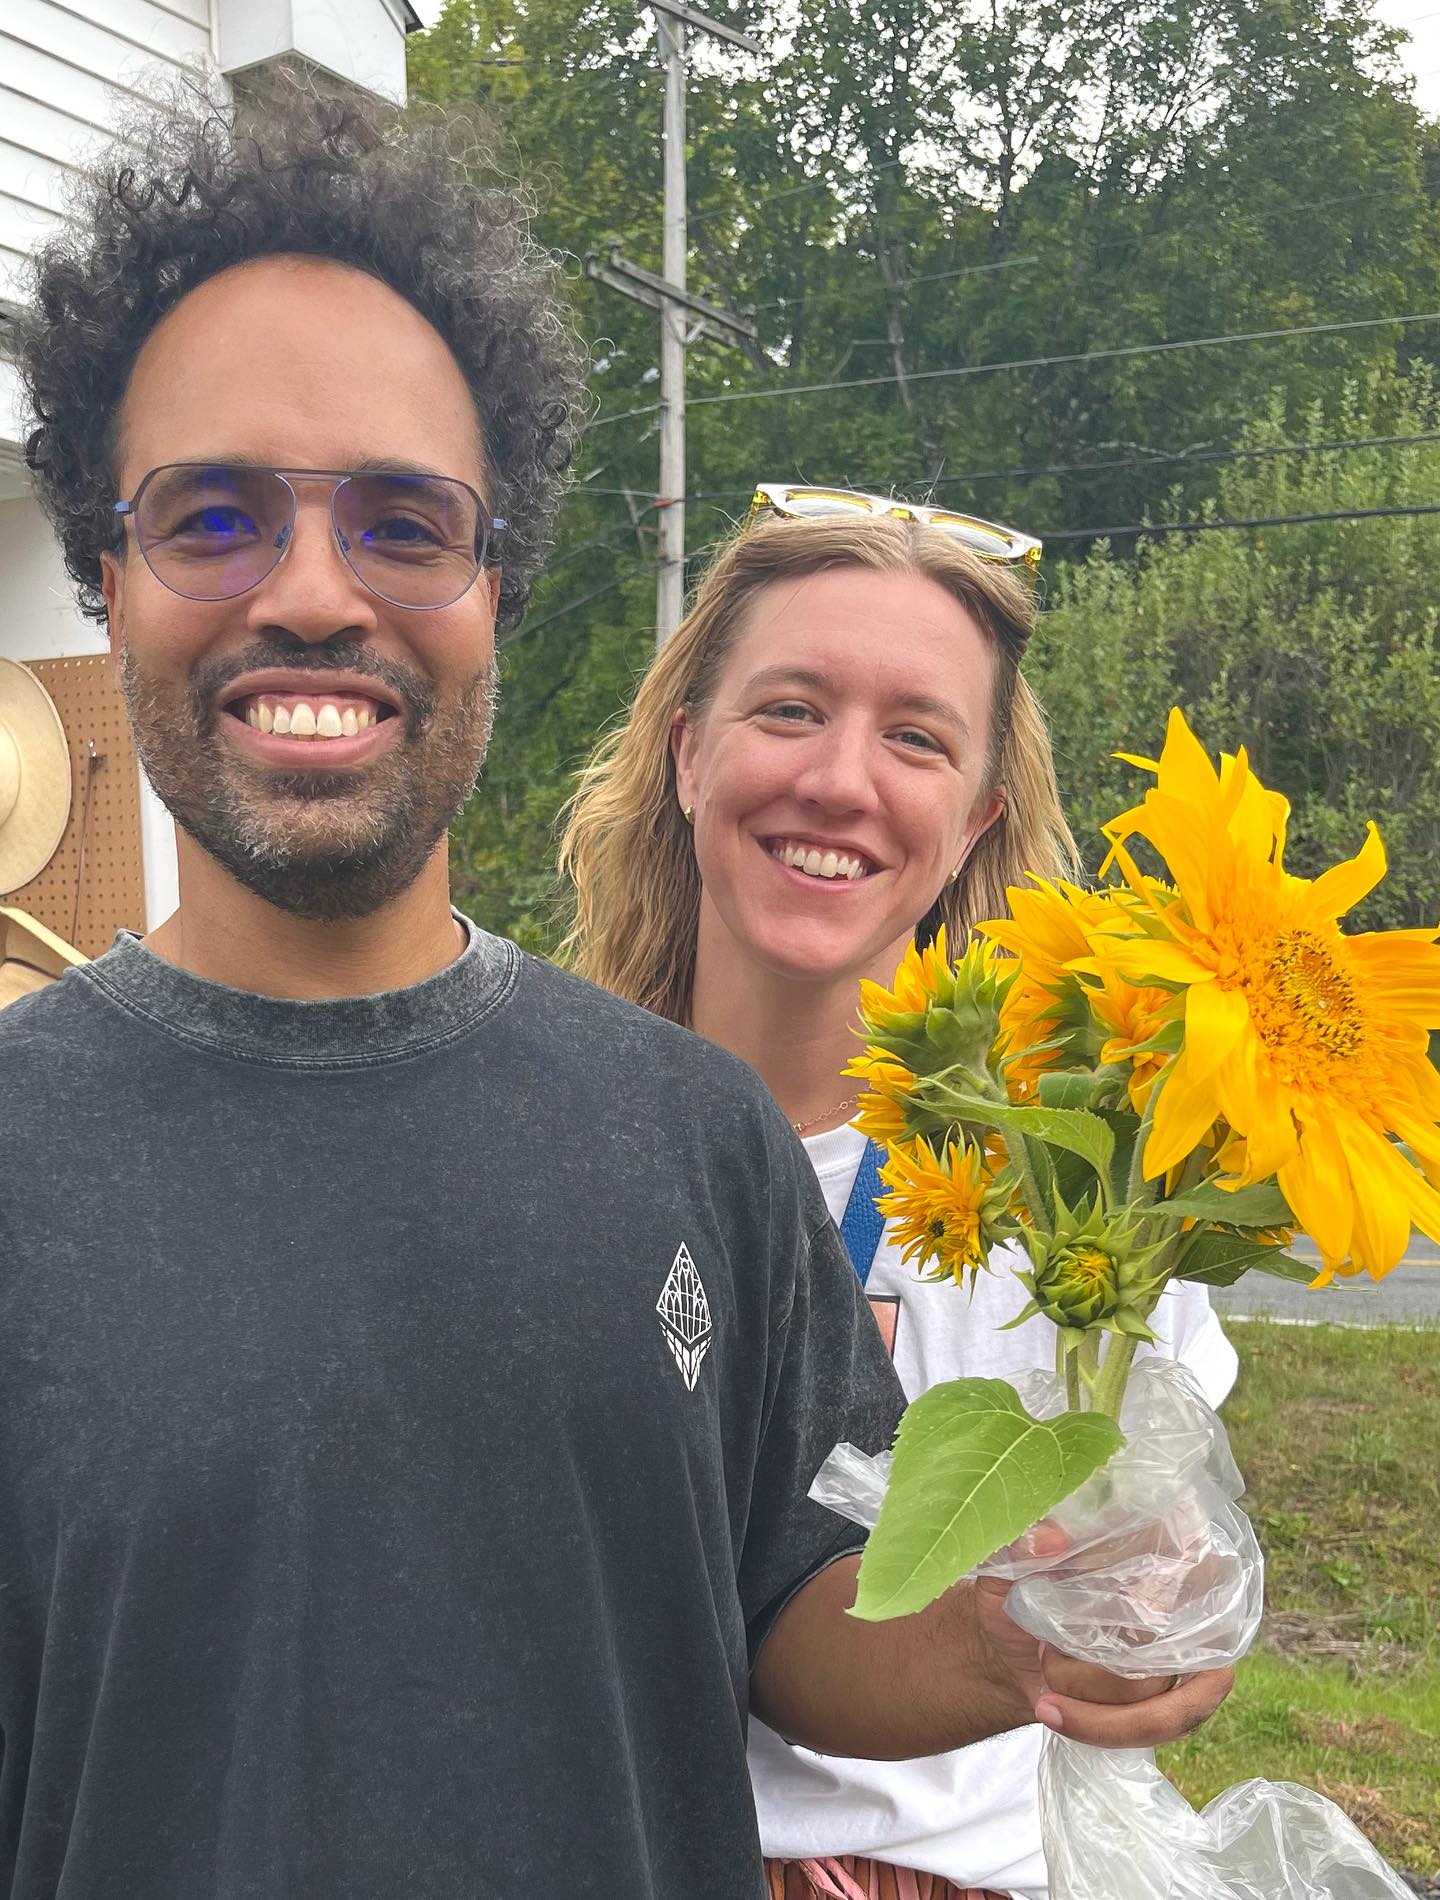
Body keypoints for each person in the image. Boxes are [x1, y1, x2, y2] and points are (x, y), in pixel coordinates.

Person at [0, 81, 1231, 1900]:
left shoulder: (687, 1134)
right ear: (108, 576)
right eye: (214, 516)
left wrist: (1009, 1639)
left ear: (499, 581)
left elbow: (790, 1604)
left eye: (406, 524)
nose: (317, 593)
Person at [560, 489, 1240, 1900]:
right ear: (689, 754)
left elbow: (1160, 1539)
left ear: (977, 810)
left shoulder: (1074, 1188)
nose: (841, 782)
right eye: (791, 709)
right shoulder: (542, 1147)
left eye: (915, 736)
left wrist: (1165, 1597)